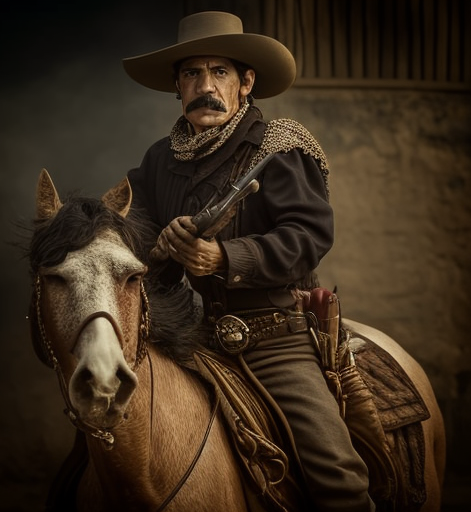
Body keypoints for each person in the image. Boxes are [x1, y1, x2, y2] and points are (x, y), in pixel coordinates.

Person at [123, 10, 375, 512]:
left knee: (337, 480)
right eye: (192, 73)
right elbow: (137, 241)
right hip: (190, 338)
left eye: (220, 72)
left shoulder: (280, 146)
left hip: (273, 336)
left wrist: (223, 257)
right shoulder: (158, 160)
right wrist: (161, 247)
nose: (205, 85)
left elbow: (309, 235)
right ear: (178, 86)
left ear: (246, 83)